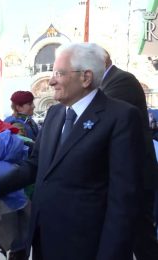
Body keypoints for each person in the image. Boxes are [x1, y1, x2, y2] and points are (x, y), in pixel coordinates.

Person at [0, 42, 145, 260]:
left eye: (59, 73)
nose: (51, 80)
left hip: (86, 246)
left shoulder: (120, 117)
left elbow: (124, 200)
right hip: (44, 241)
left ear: (85, 77)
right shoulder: (55, 114)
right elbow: (36, 165)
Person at [101, 50, 158, 260]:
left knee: (142, 236)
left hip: (136, 175)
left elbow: (100, 112)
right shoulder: (110, 81)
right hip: (126, 174)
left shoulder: (121, 80)